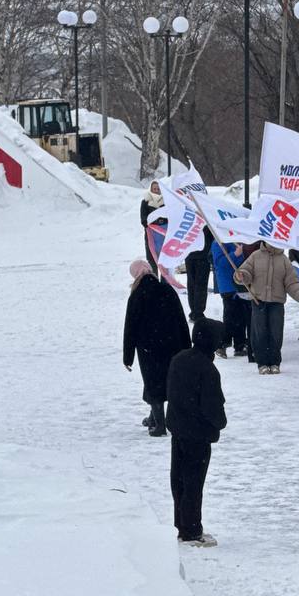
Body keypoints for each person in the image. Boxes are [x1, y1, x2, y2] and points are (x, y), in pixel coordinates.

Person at [165, 319, 228, 547]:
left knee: (179, 480)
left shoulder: (179, 360)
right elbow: (211, 405)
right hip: (198, 434)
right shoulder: (207, 369)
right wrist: (220, 423)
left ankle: (181, 525)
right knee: (193, 483)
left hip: (178, 430)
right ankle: (191, 529)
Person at [123, 260, 190, 436]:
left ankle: (160, 425)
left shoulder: (137, 295)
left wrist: (127, 357)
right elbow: (181, 319)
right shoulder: (166, 289)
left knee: (153, 382)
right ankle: (154, 417)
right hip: (172, 343)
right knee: (169, 380)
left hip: (148, 347)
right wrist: (187, 345)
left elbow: (130, 327)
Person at [232, 242, 299, 374]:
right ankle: (262, 362)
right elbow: (245, 272)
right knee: (260, 333)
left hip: (277, 302)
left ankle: (275, 362)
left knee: (276, 333)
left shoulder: (284, 260)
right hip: (258, 300)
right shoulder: (255, 256)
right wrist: (241, 275)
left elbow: (292, 283)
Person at [210, 238, 247, 358]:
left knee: (241, 316)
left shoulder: (236, 239)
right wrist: (235, 254)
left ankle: (239, 345)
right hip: (227, 285)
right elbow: (220, 264)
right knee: (230, 317)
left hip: (239, 283)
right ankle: (222, 344)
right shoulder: (218, 242)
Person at [183, 225, 214, 323]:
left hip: (192, 253)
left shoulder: (189, 218)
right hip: (200, 254)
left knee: (193, 285)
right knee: (199, 285)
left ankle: (195, 311)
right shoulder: (204, 217)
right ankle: (198, 313)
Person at [139, 181, 168, 262]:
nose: (156, 190)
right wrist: (152, 222)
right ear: (151, 189)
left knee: (164, 259)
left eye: (158, 189)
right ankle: (154, 275)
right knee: (152, 259)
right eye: (154, 188)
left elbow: (169, 216)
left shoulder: (166, 201)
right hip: (151, 235)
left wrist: (162, 221)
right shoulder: (145, 202)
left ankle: (164, 275)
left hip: (163, 235)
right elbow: (143, 218)